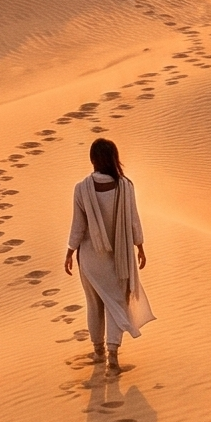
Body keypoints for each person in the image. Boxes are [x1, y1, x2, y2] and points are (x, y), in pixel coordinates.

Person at [64, 135, 154, 369]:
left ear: (93, 159)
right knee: (116, 303)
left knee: (94, 304)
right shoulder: (126, 186)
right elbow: (134, 220)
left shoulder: (81, 189)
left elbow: (78, 226)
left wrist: (70, 251)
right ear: (114, 158)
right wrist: (140, 246)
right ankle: (113, 354)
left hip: (90, 258)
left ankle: (98, 352)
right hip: (119, 257)